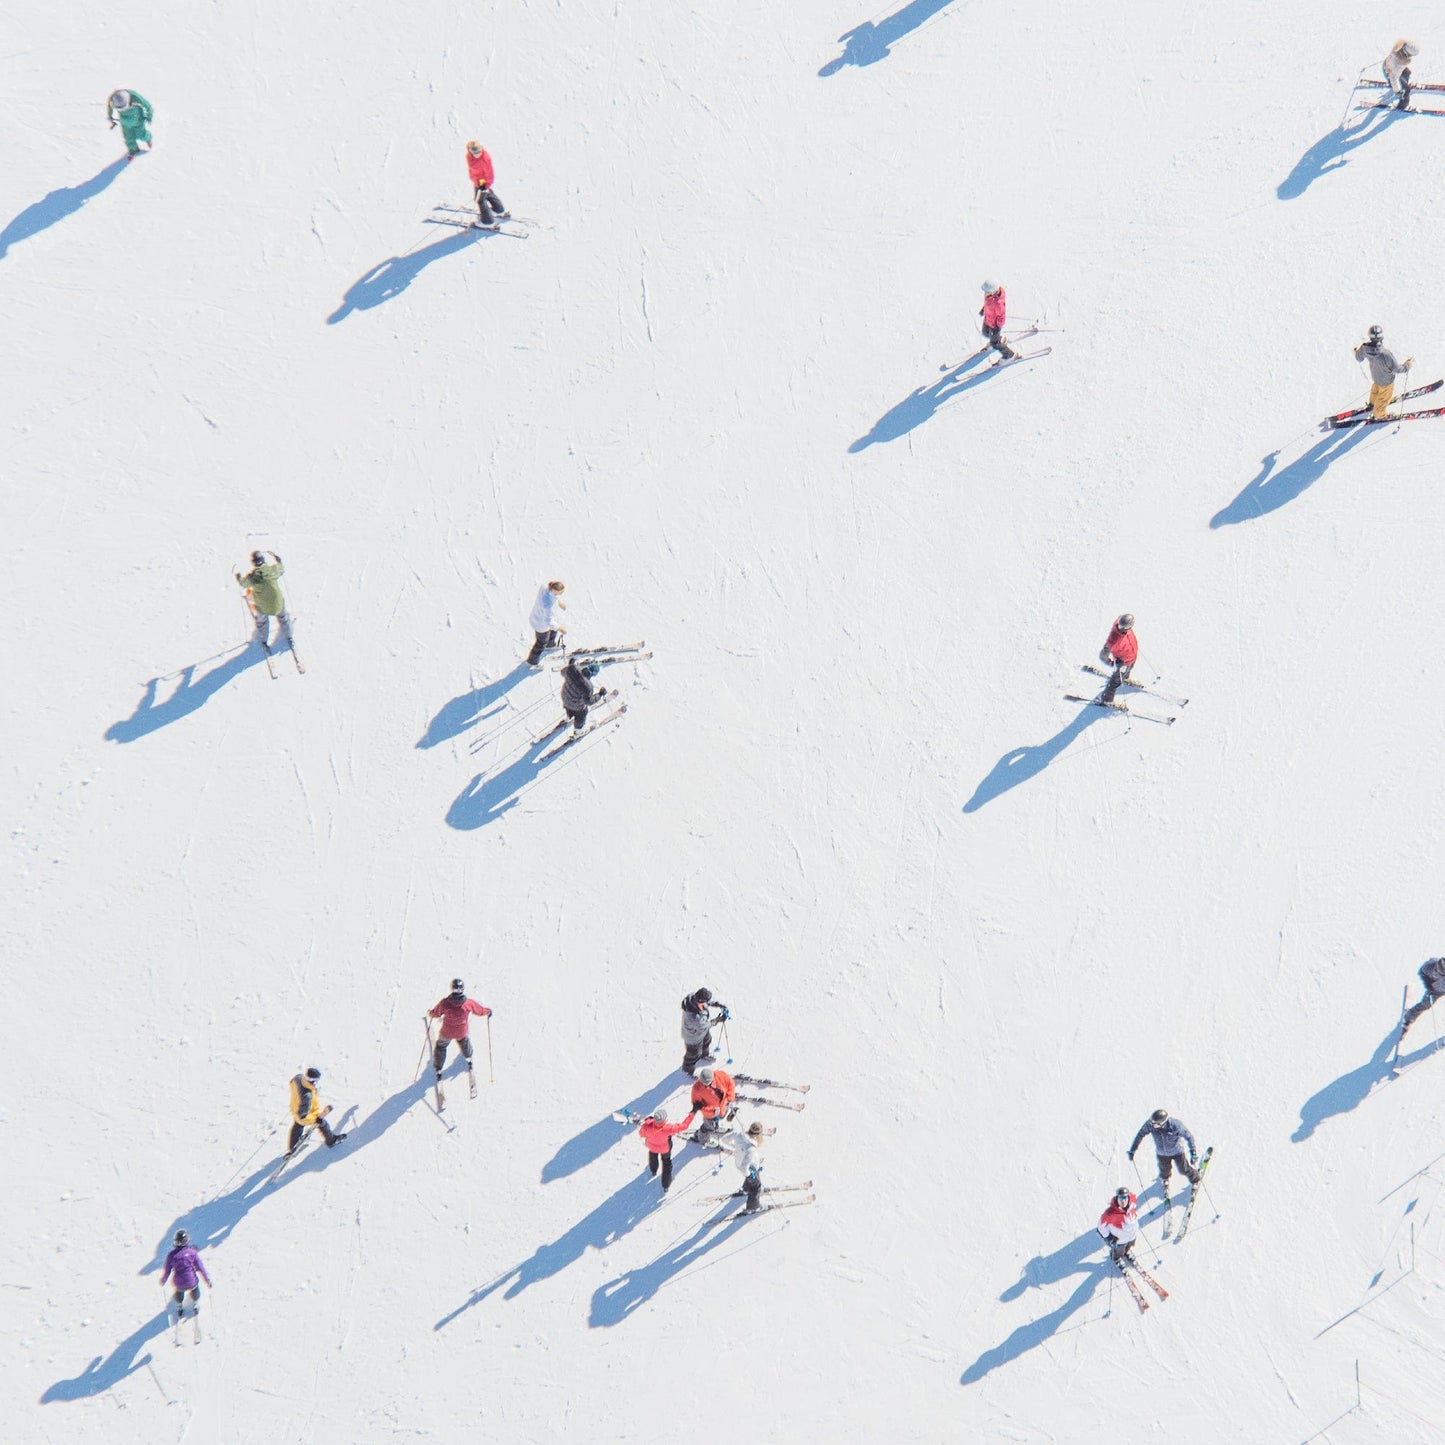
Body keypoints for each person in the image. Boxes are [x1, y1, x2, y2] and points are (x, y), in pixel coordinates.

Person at [428, 978, 493, 1080]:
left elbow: (436, 1013)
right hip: (461, 1032)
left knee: (441, 1047)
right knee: (464, 1042)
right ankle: (468, 1057)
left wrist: (431, 1013)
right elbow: (479, 1010)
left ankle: (438, 1068)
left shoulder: (445, 1003)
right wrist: (488, 1011)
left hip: (447, 1032)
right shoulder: (468, 1003)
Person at [1127, 1108, 1201, 1190]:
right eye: (1152, 1122)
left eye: (1155, 1124)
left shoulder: (1175, 1125)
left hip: (1177, 1152)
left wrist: (1193, 1152)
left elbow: (1189, 1136)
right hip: (1162, 1153)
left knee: (1183, 1169)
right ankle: (1165, 1179)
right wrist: (1133, 1149)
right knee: (1164, 1170)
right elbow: (1140, 1135)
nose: (1152, 1125)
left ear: (1162, 1123)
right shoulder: (1150, 1124)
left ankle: (1196, 1179)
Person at [236, 550, 293, 650]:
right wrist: (278, 560)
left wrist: (238, 576)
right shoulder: (272, 570)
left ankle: (263, 640)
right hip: (278, 603)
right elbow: (281, 568)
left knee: (262, 622)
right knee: (283, 617)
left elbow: (243, 584)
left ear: (253, 563)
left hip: (262, 607)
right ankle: (289, 635)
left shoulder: (252, 577)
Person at [1354, 326, 1413, 422]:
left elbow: (1358, 358)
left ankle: (1372, 404)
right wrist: (1407, 365)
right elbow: (1397, 369)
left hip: (1376, 377)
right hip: (1387, 382)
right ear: (1381, 337)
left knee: (1376, 390)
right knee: (1383, 398)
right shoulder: (1386, 354)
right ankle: (1380, 414)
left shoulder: (1364, 348)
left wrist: (1357, 351)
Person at [637, 1106, 696, 1191]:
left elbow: (641, 1134)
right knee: (666, 1164)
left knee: (652, 1156)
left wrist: (648, 1121)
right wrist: (692, 1114)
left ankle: (653, 1171)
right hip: (665, 1149)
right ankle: (666, 1186)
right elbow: (684, 1126)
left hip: (651, 1146)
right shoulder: (668, 1128)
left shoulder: (647, 1125)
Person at [288, 1066, 345, 1153]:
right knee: (322, 1124)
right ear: (312, 1080)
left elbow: (291, 1082)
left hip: (294, 1108)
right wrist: (318, 1118)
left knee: (297, 1127)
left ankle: (292, 1148)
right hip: (303, 1115)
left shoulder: (298, 1078)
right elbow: (302, 1115)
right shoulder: (307, 1095)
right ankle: (331, 1140)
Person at [714, 1120, 767, 1212]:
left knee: (752, 1180)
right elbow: (744, 1167)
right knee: (756, 1186)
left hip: (739, 1162)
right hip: (749, 1168)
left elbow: (724, 1139)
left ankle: (745, 1189)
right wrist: (749, 1174)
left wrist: (736, 1147)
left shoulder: (739, 1135)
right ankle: (753, 1207)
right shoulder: (751, 1148)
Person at [160, 1229, 211, 1319]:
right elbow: (201, 1268)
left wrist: (163, 1280)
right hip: (191, 1281)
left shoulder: (171, 1255)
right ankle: (195, 1304)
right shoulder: (192, 1252)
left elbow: (167, 1270)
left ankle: (180, 1305)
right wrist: (207, 1280)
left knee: (179, 1291)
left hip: (178, 1282)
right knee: (195, 1289)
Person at [680, 987, 728, 1075]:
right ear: (700, 1000)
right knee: (693, 1054)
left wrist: (717, 1004)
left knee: (707, 1040)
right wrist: (718, 1019)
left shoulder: (694, 997)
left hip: (702, 1032)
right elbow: (705, 1025)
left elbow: (707, 1002)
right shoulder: (694, 1018)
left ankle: (704, 1055)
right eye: (705, 1001)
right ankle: (688, 1069)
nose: (706, 1002)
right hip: (693, 1037)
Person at [465, 140, 510, 229]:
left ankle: (488, 222)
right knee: (488, 194)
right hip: (477, 181)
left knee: (480, 200)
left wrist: (486, 184)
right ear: (469, 151)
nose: (477, 154)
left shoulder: (484, 159)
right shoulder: (469, 157)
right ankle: (498, 210)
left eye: (479, 151)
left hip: (483, 182)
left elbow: (489, 173)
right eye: (474, 152)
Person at [1098, 613, 1138, 702]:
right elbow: (1103, 655)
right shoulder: (1113, 639)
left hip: (1131, 658)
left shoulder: (1125, 627)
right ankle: (1106, 699)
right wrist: (1113, 663)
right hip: (1123, 663)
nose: (1121, 627)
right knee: (1115, 682)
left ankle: (1125, 678)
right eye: (1121, 625)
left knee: (1129, 668)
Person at [526, 581, 567, 666]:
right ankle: (532, 661)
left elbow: (553, 596)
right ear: (555, 591)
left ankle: (550, 644)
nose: (562, 594)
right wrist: (561, 629)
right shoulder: (548, 605)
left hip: (537, 616)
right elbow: (549, 623)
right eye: (560, 593)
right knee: (541, 642)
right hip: (541, 625)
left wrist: (559, 603)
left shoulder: (545, 587)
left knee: (553, 631)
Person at [1401, 957, 1445, 1035]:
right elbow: (1422, 972)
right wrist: (1429, 985)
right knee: (1426, 1005)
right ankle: (1408, 1017)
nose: (1436, 971)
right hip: (1435, 991)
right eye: (1437, 969)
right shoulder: (1429, 966)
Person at [559, 656, 603, 733]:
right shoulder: (588, 687)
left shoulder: (572, 669)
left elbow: (562, 672)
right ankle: (578, 730)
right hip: (574, 705)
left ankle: (568, 716)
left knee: (570, 704)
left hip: (564, 697)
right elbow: (589, 702)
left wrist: (570, 665)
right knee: (582, 712)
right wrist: (600, 694)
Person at [690, 1064, 737, 1134]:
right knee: (708, 1126)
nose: (708, 1084)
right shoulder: (697, 1089)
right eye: (705, 1083)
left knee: (722, 1115)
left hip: (723, 1105)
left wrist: (730, 1097)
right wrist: (712, 1110)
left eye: (709, 1082)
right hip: (710, 1113)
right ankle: (702, 1137)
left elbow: (730, 1084)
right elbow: (697, 1105)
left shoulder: (720, 1075)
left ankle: (717, 1124)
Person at [107, 88, 154, 158]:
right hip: (124, 121)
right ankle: (133, 150)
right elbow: (110, 107)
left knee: (140, 135)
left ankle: (148, 138)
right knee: (128, 137)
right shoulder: (113, 99)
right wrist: (110, 115)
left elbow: (148, 106)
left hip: (137, 119)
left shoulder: (135, 97)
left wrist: (149, 116)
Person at [978, 280, 1017, 362]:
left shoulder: (998, 304)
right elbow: (987, 304)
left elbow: (1002, 317)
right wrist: (983, 310)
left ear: (992, 291)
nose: (985, 293)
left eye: (986, 291)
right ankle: (996, 338)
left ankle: (1009, 355)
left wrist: (997, 326)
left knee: (995, 343)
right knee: (985, 332)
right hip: (988, 319)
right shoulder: (989, 295)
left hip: (994, 325)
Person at [1096, 1187, 1139, 1261]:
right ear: (1117, 1198)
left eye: (1125, 1198)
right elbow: (1100, 1226)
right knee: (1119, 1250)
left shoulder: (1132, 1204)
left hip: (1132, 1235)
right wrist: (1110, 1237)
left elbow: (1134, 1199)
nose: (1123, 1201)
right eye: (1121, 1198)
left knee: (1130, 1244)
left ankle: (1126, 1251)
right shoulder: (1110, 1213)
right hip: (1120, 1239)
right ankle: (1116, 1258)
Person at [1383, 39, 1420, 110]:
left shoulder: (1399, 46)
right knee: (1407, 90)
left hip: (1388, 64)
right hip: (1389, 70)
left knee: (1407, 72)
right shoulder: (1399, 64)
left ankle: (1404, 83)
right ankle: (1403, 105)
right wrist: (1397, 90)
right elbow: (1393, 77)